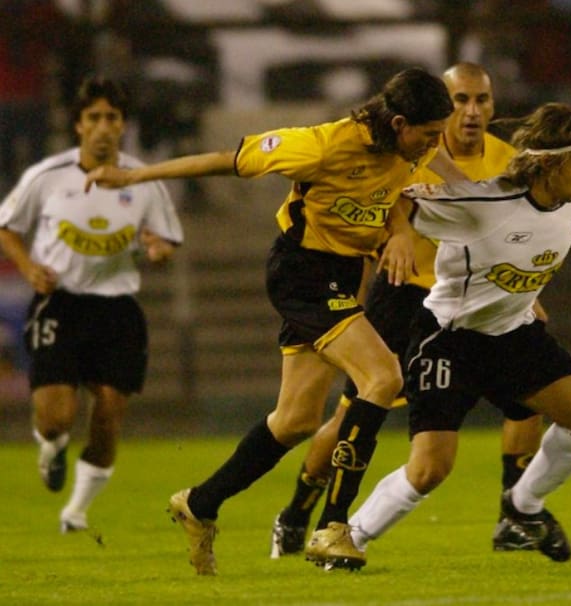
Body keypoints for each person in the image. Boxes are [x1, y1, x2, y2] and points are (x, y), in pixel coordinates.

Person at [84, 67, 457, 575]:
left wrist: (399, 232)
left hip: (343, 274)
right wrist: (133, 177)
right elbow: (226, 160)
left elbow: (392, 193)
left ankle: (200, 503)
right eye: (430, 134)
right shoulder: (321, 146)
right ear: (398, 123)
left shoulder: (409, 148)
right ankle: (334, 527)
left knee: (296, 420)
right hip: (302, 272)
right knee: (382, 376)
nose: (435, 144)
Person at [270, 62, 546, 559]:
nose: (471, 111)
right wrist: (392, 238)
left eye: (482, 100)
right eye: (460, 100)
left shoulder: (508, 164)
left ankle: (514, 515)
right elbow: (382, 199)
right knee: (352, 415)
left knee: (531, 390)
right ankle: (296, 512)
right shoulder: (412, 148)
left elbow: (511, 236)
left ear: (493, 106)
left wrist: (527, 293)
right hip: (405, 297)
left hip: (474, 301)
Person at [346, 102, 571, 566]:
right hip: (450, 338)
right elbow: (397, 199)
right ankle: (350, 538)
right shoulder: (482, 205)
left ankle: (523, 507)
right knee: (430, 470)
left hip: (513, 335)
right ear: (550, 164)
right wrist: (401, 234)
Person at [0, 75, 183, 533]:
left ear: (122, 125)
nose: (103, 126)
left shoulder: (144, 181)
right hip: (59, 304)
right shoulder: (47, 176)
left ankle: (76, 511)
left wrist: (158, 250)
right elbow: (6, 226)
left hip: (117, 308)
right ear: (79, 125)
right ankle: (52, 447)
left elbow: (165, 242)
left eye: (112, 117)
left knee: (108, 416)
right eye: (94, 117)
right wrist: (28, 268)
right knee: (56, 418)